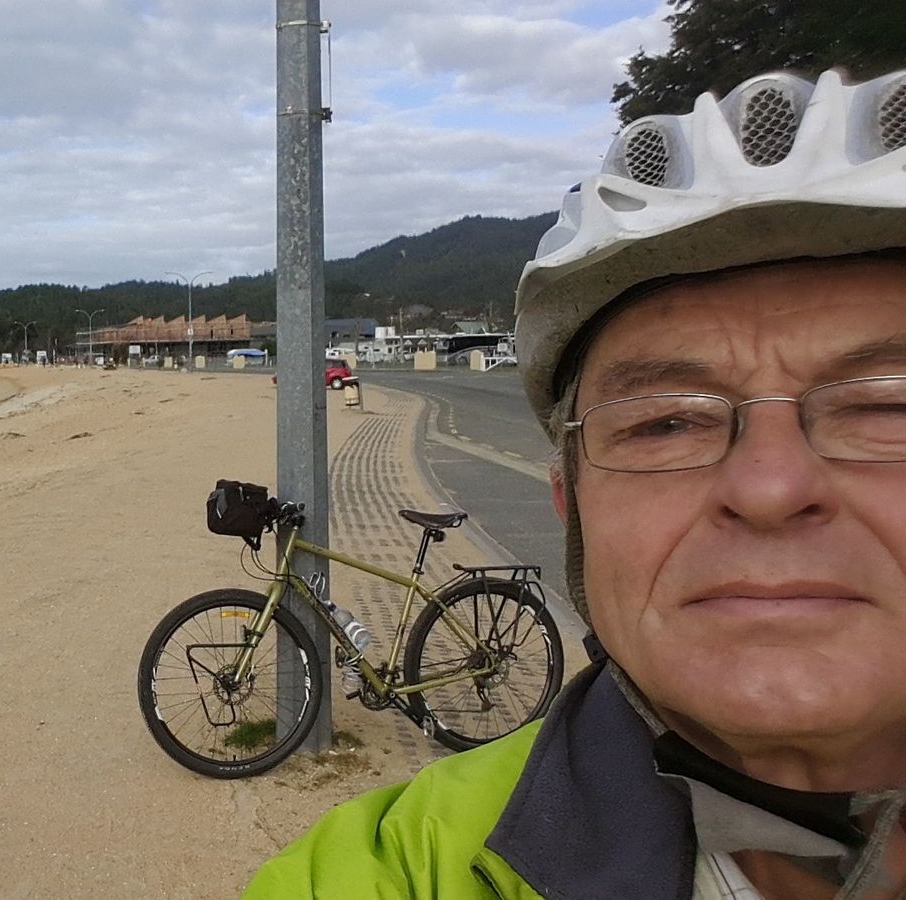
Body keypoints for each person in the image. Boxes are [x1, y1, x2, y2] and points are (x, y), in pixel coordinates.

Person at [244, 67, 906, 899]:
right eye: (665, 423)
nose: (770, 487)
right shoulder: (402, 870)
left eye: (887, 407)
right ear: (571, 504)